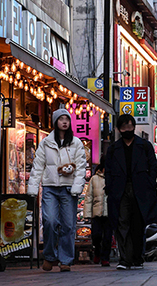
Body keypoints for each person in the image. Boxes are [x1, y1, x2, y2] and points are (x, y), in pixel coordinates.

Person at [27, 108, 87, 272]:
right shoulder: (46, 142)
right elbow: (38, 166)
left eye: (67, 119)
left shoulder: (76, 143)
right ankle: (50, 256)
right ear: (55, 122)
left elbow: (81, 167)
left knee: (68, 225)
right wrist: (32, 188)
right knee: (50, 221)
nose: (64, 122)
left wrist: (77, 187)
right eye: (61, 119)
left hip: (69, 189)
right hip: (50, 188)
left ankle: (66, 259)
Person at [104, 114, 157, 270]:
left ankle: (137, 256)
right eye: (124, 127)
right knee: (122, 222)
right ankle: (125, 259)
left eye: (130, 126)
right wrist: (110, 186)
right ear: (119, 129)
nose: (127, 129)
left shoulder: (144, 146)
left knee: (138, 223)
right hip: (120, 189)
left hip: (141, 189)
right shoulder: (113, 149)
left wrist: (150, 183)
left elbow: (154, 166)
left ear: (134, 127)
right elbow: (108, 170)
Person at [84, 164, 112, 266]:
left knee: (108, 237)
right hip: (96, 213)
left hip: (109, 213)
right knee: (96, 235)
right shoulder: (94, 179)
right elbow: (89, 197)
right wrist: (87, 214)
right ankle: (97, 253)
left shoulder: (113, 177)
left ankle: (105, 258)